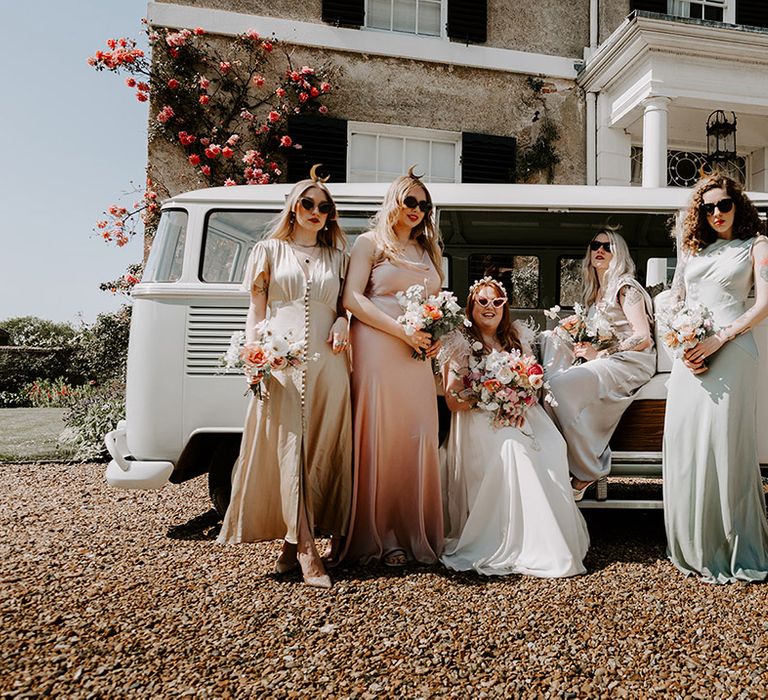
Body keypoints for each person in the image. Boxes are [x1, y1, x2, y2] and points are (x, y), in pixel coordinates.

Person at [218, 170, 352, 589]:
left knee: (320, 451)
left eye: (324, 207)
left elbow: (348, 307)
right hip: (283, 366)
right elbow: (257, 311)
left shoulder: (339, 256)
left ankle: (292, 548)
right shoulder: (268, 251)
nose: (316, 212)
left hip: (330, 367)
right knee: (288, 450)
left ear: (330, 215)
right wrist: (252, 356)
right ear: (294, 206)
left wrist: (345, 323)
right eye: (308, 203)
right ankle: (308, 551)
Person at [439, 277, 589, 577]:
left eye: (497, 301)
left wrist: (516, 403)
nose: (490, 307)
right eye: (483, 301)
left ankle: (547, 535)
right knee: (512, 447)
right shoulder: (460, 342)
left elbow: (532, 382)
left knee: (553, 444)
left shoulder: (516, 337)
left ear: (505, 306)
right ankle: (516, 540)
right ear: (471, 306)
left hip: (520, 412)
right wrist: (490, 398)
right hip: (477, 416)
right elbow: (454, 398)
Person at [663, 174, 768, 583]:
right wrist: (684, 346)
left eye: (724, 205)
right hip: (690, 356)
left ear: (737, 205)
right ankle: (694, 544)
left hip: (734, 351)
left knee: (727, 445)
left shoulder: (756, 245)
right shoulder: (692, 251)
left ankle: (735, 544)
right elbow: (676, 300)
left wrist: (720, 338)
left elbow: (765, 303)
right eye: (707, 208)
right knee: (685, 441)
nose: (717, 213)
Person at [341, 169, 444, 566]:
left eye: (424, 205)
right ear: (395, 202)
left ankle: (411, 532)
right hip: (378, 347)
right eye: (411, 202)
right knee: (379, 435)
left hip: (417, 354)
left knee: (417, 435)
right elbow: (352, 299)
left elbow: (436, 301)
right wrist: (401, 331)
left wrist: (436, 332)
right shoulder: (370, 244)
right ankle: (376, 537)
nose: (417, 210)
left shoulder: (428, 250)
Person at [541, 229, 656, 500]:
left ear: (619, 253)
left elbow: (642, 336)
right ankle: (558, 459)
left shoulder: (625, 287)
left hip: (631, 361)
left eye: (608, 246)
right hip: (609, 358)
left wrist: (602, 354)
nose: (600, 250)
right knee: (550, 371)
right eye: (595, 245)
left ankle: (588, 470)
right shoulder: (596, 292)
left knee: (558, 388)